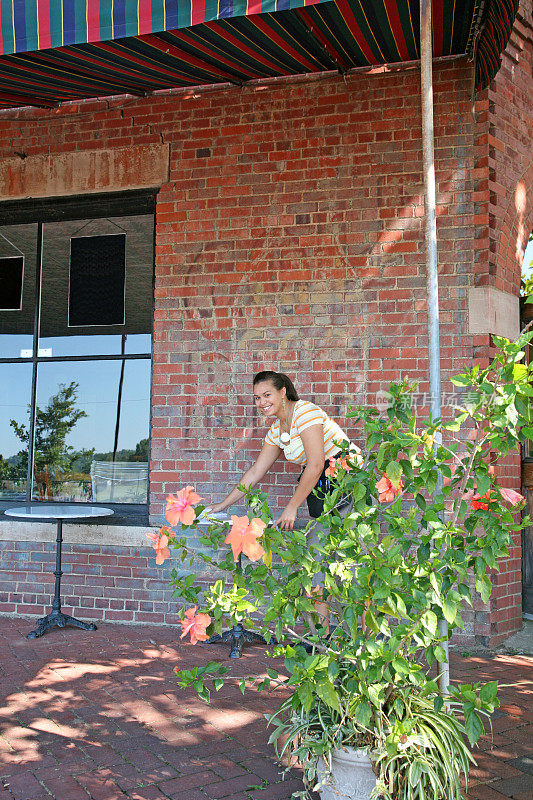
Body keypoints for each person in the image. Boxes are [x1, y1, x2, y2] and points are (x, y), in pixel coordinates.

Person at [208, 370, 355, 531]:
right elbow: (256, 471)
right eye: (257, 398)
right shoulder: (276, 430)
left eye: (267, 395)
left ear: (283, 392)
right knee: (319, 547)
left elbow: (316, 464)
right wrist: (223, 505)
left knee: (348, 548)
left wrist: (292, 507)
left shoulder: (305, 412)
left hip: (352, 482)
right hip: (328, 488)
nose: (262, 402)